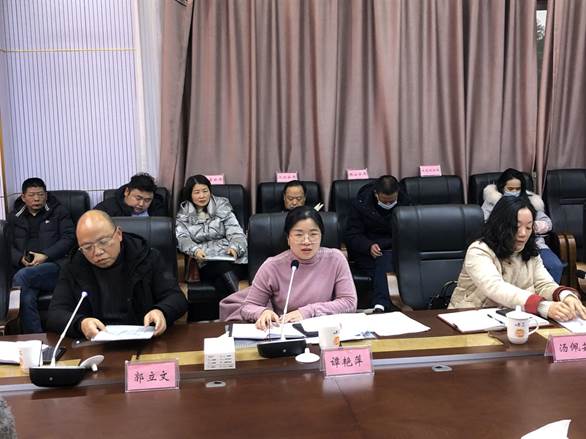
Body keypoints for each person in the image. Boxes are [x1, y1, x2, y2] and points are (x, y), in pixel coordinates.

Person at [47, 210, 188, 339]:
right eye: (87, 247)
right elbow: (55, 314)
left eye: (103, 242)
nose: (97, 252)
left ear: (119, 234)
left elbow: (176, 297)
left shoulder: (147, 257)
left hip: (145, 338)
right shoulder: (73, 266)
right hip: (96, 343)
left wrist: (161, 311)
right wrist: (81, 323)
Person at [449, 196, 586, 321]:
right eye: (516, 226)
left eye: (528, 227)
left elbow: (543, 284)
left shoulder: (530, 252)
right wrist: (542, 306)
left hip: (515, 319)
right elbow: (495, 287)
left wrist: (565, 295)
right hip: (471, 318)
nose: (523, 233)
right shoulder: (479, 250)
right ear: (500, 225)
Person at [233, 206, 356, 329]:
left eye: (313, 234)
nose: (306, 241)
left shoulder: (336, 259)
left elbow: (349, 302)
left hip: (325, 330)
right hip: (287, 331)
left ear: (321, 236)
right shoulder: (272, 266)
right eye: (299, 234)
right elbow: (247, 307)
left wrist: (307, 312)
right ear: (288, 238)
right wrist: (262, 312)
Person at [7, 178, 75, 333]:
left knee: (22, 278)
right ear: (23, 197)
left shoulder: (59, 212)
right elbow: (7, 246)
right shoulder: (14, 216)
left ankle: (31, 338)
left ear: (46, 195)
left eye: (40, 194)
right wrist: (20, 258)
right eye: (32, 195)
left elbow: (69, 238)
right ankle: (37, 339)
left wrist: (45, 255)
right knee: (26, 296)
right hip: (26, 268)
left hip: (54, 266)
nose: (37, 199)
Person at [482, 168, 565, 283]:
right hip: (503, 245)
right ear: (502, 187)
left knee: (554, 266)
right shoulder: (492, 202)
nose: (514, 192)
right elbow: (487, 225)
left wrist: (529, 227)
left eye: (518, 189)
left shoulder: (530, 201)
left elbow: (547, 223)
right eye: (510, 189)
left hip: (533, 244)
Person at [176, 174, 248, 297]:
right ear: (189, 194)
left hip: (230, 257)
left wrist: (235, 248)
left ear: (210, 191)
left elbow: (236, 232)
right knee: (221, 270)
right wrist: (195, 250)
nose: (202, 196)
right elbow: (182, 238)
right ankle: (241, 303)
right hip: (205, 260)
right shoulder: (184, 214)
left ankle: (228, 307)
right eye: (197, 192)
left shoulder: (222, 207)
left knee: (221, 280)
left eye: (205, 191)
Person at [345, 175, 402, 313]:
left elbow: (411, 230)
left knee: (386, 260)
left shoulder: (406, 203)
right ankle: (383, 306)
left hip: (397, 250)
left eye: (392, 201)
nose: (389, 204)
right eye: (385, 201)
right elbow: (352, 235)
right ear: (376, 194)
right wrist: (368, 246)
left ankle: (380, 305)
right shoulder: (360, 204)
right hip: (368, 252)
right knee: (385, 262)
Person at [94, 173, 168, 217]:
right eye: (138, 198)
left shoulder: (158, 208)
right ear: (126, 192)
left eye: (147, 200)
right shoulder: (107, 208)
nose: (141, 204)